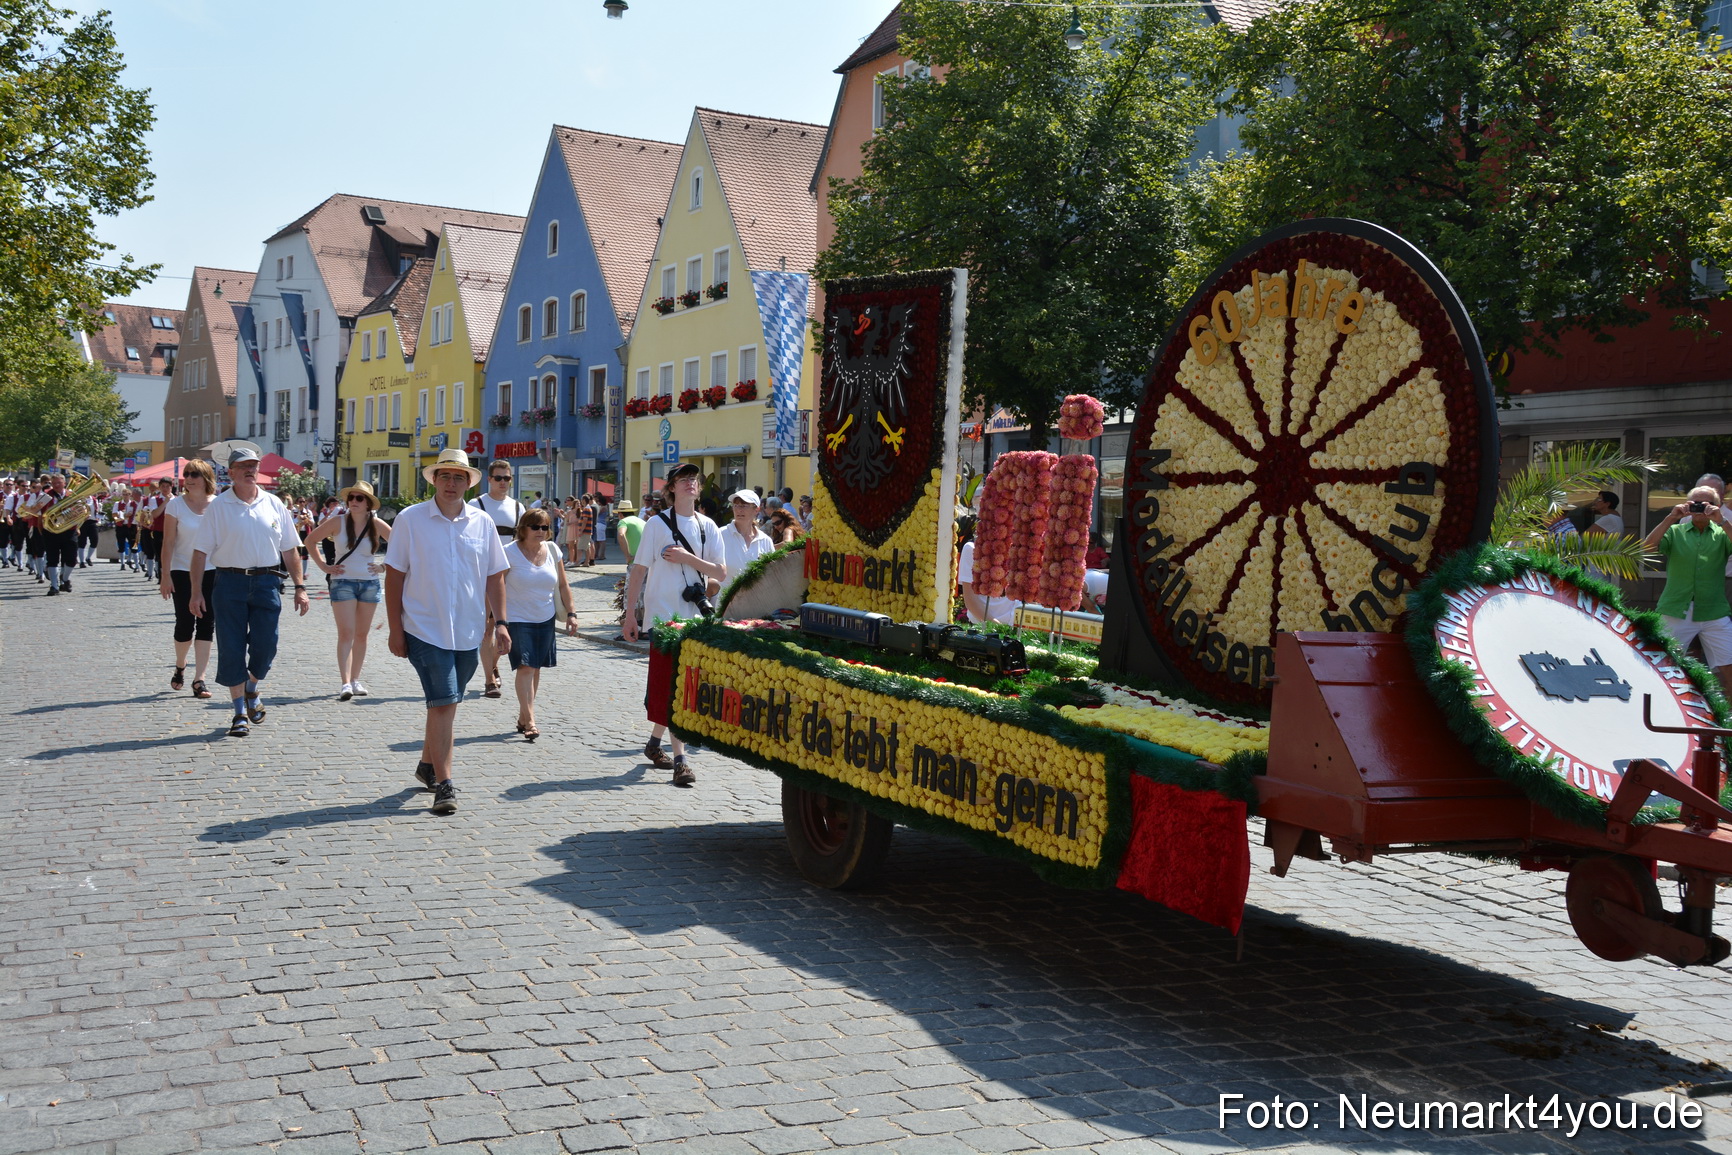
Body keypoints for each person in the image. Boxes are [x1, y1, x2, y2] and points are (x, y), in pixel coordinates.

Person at [384, 448, 511, 816]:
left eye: (459, 477)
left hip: (469, 630)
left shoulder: (482, 523)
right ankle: (444, 783)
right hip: (424, 626)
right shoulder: (411, 520)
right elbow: (395, 576)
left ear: (469, 483)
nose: (451, 483)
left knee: (448, 701)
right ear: (434, 480)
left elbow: (494, 575)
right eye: (445, 476)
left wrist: (501, 622)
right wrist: (396, 628)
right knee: (443, 701)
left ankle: (427, 764)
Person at [188, 447, 310, 737]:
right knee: (231, 647)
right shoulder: (219, 506)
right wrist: (195, 592)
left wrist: (300, 587)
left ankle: (252, 688)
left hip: (267, 582)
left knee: (266, 645)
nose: (250, 470)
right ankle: (239, 713)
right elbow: (199, 551)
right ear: (230, 472)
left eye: (254, 466)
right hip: (229, 582)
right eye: (243, 466)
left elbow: (290, 548)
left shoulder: (273, 503)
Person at [622, 461, 726, 787]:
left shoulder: (708, 526)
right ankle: (681, 759)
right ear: (671, 488)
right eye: (683, 480)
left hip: (694, 618)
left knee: (681, 685)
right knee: (674, 685)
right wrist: (629, 614)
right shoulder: (656, 524)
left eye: (693, 479)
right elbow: (638, 571)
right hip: (662, 617)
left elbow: (720, 573)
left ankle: (655, 743)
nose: (690, 484)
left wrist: (688, 559)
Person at [304, 480, 392, 701]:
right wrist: (324, 566)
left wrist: (383, 566)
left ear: (368, 503)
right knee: (346, 633)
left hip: (369, 584)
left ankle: (356, 679)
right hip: (342, 582)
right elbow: (310, 540)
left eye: (359, 498)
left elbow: (404, 546)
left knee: (361, 635)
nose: (353, 501)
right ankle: (345, 683)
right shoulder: (337, 522)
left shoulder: (377, 524)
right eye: (351, 497)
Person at [1642, 485, 1732, 698]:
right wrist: (1670, 518)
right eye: (1696, 503)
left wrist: (1722, 520)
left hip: (1714, 611)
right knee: (1661, 665)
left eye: (1706, 503)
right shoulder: (1675, 531)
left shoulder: (1722, 533)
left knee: (1729, 666)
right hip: (1676, 609)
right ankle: (1662, 712)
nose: (1700, 507)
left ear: (1716, 506)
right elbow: (1646, 549)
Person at [502, 507, 577, 741]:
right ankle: (531, 720)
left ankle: (524, 716)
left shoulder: (553, 550)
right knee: (524, 667)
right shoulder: (508, 552)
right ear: (523, 528)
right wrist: (496, 621)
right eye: (535, 527)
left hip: (545, 618)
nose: (541, 531)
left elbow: (563, 585)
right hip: (517, 618)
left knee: (534, 669)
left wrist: (572, 613)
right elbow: (497, 587)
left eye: (545, 527)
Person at [158, 460, 218, 698]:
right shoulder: (176, 505)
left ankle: (199, 679)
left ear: (206, 478)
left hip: (212, 570)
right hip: (181, 570)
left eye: (195, 474)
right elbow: (168, 543)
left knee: (207, 622)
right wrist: (164, 575)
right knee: (184, 623)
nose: (189, 478)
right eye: (186, 474)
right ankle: (181, 664)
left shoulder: (218, 504)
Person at [470, 461, 526, 698]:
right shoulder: (476, 505)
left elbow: (525, 541)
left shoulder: (518, 507)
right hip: (485, 574)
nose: (503, 482)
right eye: (499, 478)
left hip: (511, 574)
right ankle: (489, 679)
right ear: (489, 479)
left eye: (507, 478)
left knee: (504, 626)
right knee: (487, 628)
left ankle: (494, 666)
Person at [720, 489, 775, 584]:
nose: (739, 510)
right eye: (736, 505)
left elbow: (772, 574)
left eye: (744, 506)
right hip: (725, 598)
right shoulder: (720, 535)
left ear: (756, 510)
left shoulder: (765, 541)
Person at [37, 472, 78, 595]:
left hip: (69, 530)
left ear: (64, 483)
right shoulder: (45, 496)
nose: (56, 485)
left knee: (71, 559)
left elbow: (81, 511)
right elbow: (37, 513)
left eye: (59, 483)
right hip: (51, 531)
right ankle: (54, 586)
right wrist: (41, 529)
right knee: (52, 559)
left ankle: (64, 579)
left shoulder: (72, 495)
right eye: (54, 483)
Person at [575, 494, 596, 567]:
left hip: (585, 531)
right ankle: (586, 562)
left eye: (582, 500)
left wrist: (581, 531)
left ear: (584, 500)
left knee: (580, 547)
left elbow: (585, 521)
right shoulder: (588, 508)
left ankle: (578, 562)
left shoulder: (586, 509)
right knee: (587, 547)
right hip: (587, 531)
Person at [592, 496, 610, 563]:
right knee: (597, 541)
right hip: (599, 524)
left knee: (601, 541)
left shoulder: (603, 507)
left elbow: (597, 513)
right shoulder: (602, 507)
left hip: (601, 524)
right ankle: (596, 554)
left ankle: (601, 555)